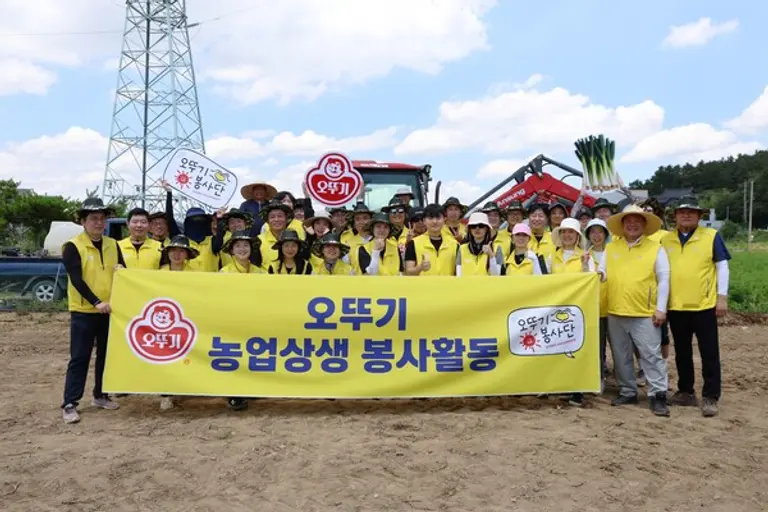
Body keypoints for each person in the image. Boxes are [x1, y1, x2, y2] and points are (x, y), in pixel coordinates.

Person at [662, 196, 730, 417]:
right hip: (676, 305)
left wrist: (722, 297)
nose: (686, 215)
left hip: (704, 305)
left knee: (709, 352)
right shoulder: (666, 239)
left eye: (691, 212)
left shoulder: (711, 236)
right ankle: (685, 391)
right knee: (682, 352)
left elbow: (722, 266)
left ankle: (711, 395)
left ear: (699, 216)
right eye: (682, 212)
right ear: (675, 216)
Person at [61, 198, 125, 424]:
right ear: (83, 222)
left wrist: (121, 270)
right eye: (93, 219)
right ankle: (70, 403)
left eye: (102, 219)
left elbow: (124, 272)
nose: (99, 223)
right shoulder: (73, 246)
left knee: (106, 356)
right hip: (84, 311)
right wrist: (96, 301)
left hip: (109, 311)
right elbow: (76, 278)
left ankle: (101, 394)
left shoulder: (113, 244)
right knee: (80, 357)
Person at [605, 205, 671, 417]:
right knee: (621, 355)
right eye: (628, 221)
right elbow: (602, 273)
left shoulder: (656, 248)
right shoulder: (611, 248)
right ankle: (628, 391)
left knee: (651, 354)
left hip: (645, 312)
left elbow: (664, 279)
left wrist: (661, 308)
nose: (632, 225)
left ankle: (658, 394)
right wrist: (590, 270)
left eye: (637, 221)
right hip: (616, 311)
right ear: (622, 224)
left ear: (644, 224)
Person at [157, 235, 199, 411]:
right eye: (173, 250)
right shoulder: (158, 274)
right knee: (166, 358)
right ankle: (166, 394)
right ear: (167, 253)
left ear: (187, 254)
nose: (177, 254)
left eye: (181, 251)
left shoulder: (196, 274)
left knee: (187, 356)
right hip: (165, 321)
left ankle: (185, 387)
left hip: (188, 321)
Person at [585, 218, 611, 378]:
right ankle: (599, 376)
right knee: (598, 345)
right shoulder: (585, 255)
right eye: (593, 232)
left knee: (619, 346)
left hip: (614, 306)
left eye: (600, 231)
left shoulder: (613, 252)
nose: (596, 235)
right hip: (595, 308)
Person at [404, 204, 459, 276]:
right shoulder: (413, 243)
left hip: (447, 283)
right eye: (430, 218)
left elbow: (460, 272)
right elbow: (408, 272)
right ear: (424, 221)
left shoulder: (454, 244)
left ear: (444, 220)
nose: (435, 221)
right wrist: (420, 267)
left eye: (438, 218)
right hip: (424, 283)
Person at [257, 200, 294, 269]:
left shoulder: (294, 239)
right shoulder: (258, 240)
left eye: (280, 216)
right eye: (272, 217)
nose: (276, 219)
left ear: (286, 219)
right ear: (267, 221)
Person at [342, 202, 373, 272]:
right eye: (357, 219)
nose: (361, 222)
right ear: (354, 223)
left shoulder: (378, 240)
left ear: (371, 221)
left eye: (365, 218)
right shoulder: (348, 245)